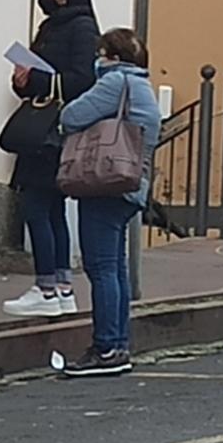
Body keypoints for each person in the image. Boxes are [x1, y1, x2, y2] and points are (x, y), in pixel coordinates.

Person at [58, 28, 161, 378]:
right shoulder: (143, 87)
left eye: (102, 54)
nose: (97, 61)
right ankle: (118, 344)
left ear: (113, 57)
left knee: (101, 268)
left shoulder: (116, 83)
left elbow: (72, 116)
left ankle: (105, 347)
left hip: (106, 182)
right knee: (115, 268)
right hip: (132, 186)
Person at [3, 0, 100, 319]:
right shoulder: (50, 27)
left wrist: (41, 80)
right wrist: (22, 79)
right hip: (41, 125)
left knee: (38, 208)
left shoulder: (82, 27)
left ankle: (47, 287)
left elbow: (82, 79)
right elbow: (39, 77)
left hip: (54, 132)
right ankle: (60, 288)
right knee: (51, 209)